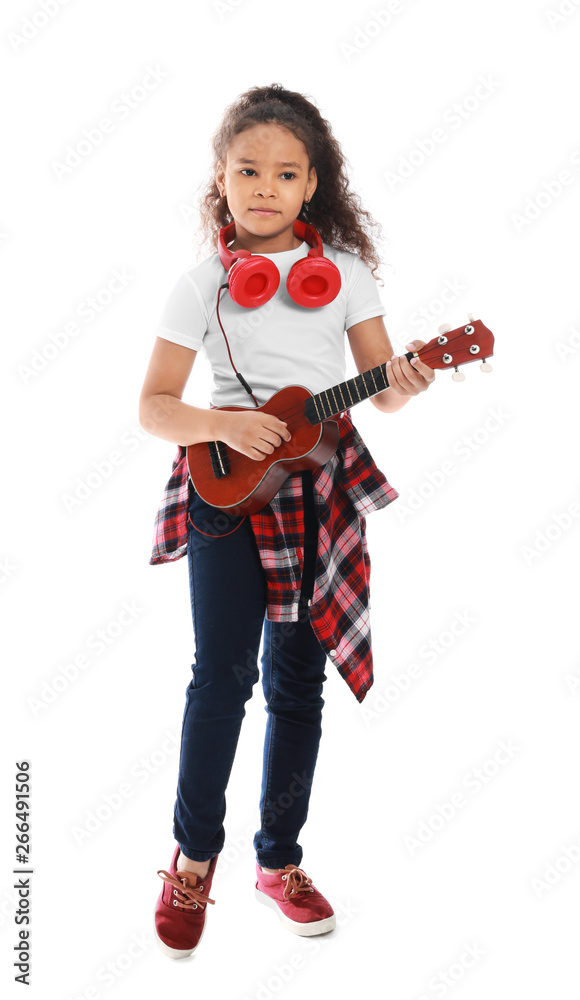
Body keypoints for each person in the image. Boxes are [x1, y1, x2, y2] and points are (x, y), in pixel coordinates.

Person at [139, 83, 435, 960]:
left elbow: (380, 393)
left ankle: (280, 862)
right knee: (220, 678)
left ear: (313, 187)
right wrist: (224, 423)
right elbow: (155, 407)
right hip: (226, 493)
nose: (265, 186)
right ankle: (194, 860)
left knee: (297, 682)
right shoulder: (203, 285)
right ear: (221, 182)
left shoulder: (346, 276)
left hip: (319, 494)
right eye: (247, 170)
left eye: (285, 172)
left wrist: (408, 382)